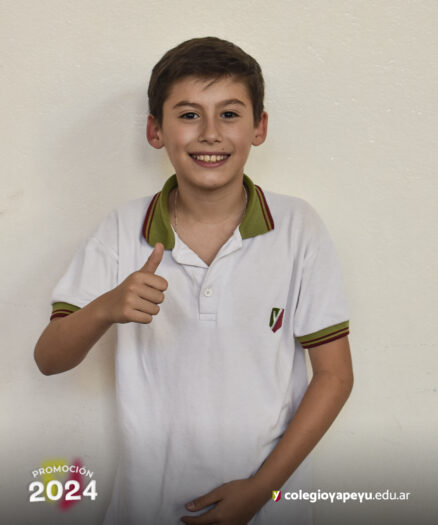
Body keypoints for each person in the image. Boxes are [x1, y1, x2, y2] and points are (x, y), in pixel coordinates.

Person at [34, 36, 353, 525]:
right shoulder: (120, 229)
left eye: (229, 114)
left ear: (259, 127)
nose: (210, 133)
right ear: (155, 130)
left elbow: (335, 376)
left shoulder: (298, 227)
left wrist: (259, 491)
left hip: (265, 505)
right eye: (188, 114)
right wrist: (105, 307)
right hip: (147, 506)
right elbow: (49, 359)